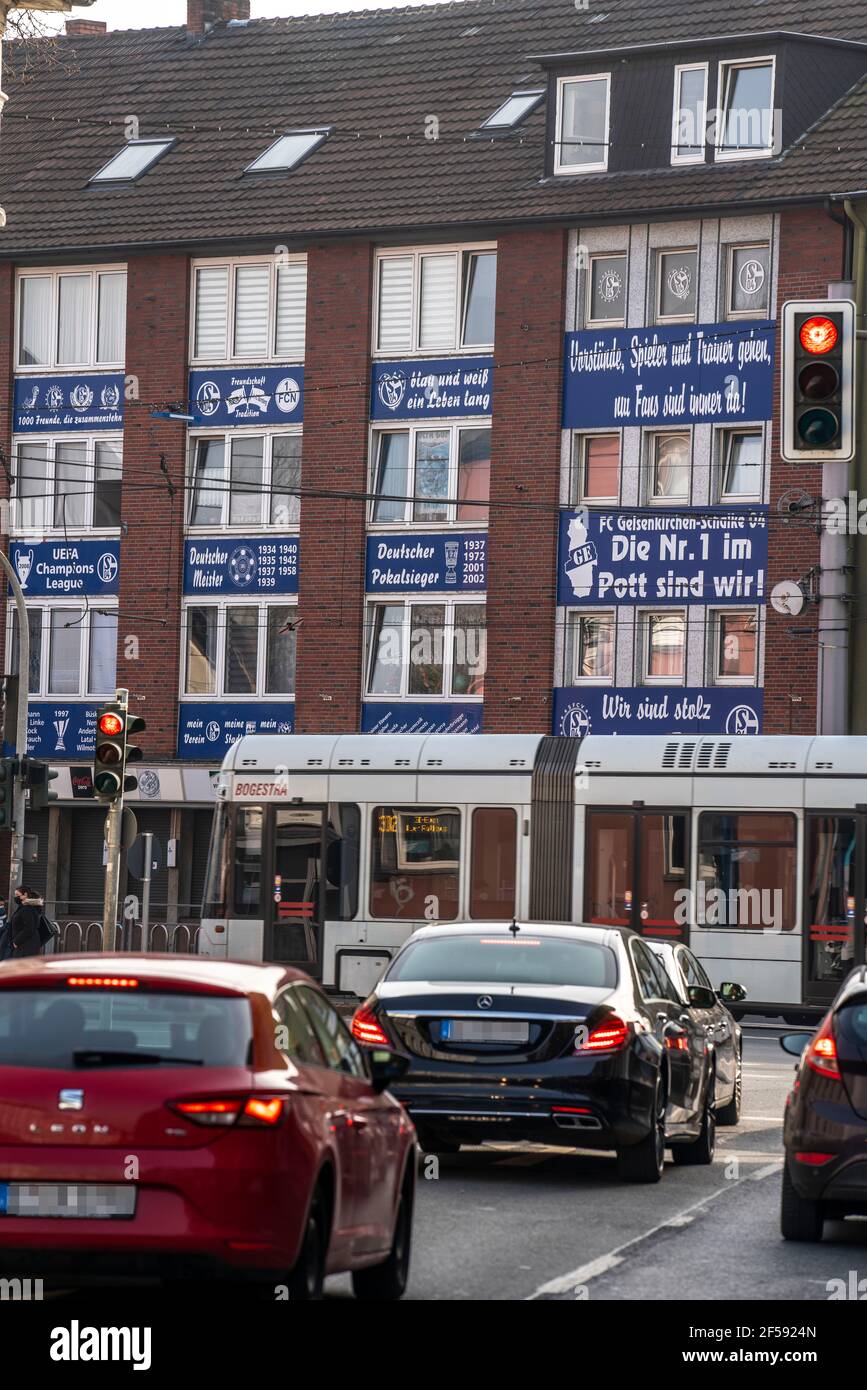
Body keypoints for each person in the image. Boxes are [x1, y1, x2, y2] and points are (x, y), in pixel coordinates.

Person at [6, 886, 44, 958]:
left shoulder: (27, 909)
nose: (15, 897)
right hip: (25, 945)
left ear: (25, 895)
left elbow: (29, 928)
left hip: (25, 946)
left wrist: (16, 942)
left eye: (17, 895)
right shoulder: (26, 907)